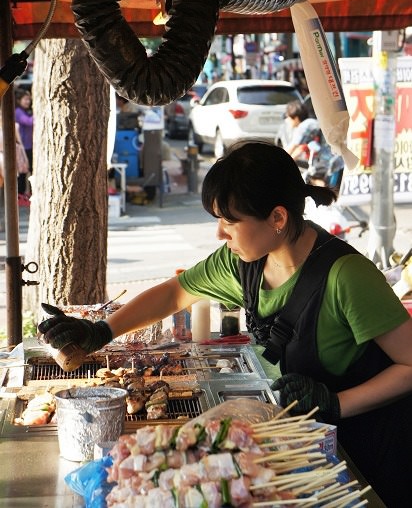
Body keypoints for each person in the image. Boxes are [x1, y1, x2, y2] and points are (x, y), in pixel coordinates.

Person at [38, 140, 412, 506]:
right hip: (310, 445)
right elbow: (174, 293)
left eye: (229, 221)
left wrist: (334, 403)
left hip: (372, 449)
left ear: (277, 218)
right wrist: (101, 331)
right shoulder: (244, 261)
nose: (219, 233)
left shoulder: (347, 277)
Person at [14, 90, 34, 199]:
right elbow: (29, 122)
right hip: (23, 147)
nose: (28, 101)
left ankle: (25, 193)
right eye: (25, 99)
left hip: (29, 146)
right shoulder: (18, 111)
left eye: (29, 99)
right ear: (19, 100)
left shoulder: (26, 111)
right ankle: (20, 195)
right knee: (22, 171)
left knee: (29, 170)